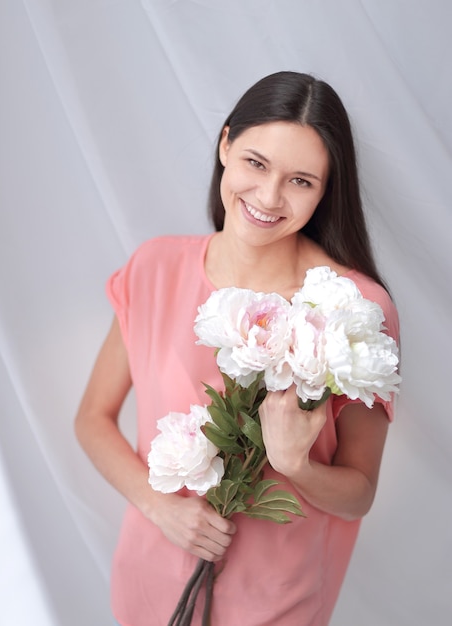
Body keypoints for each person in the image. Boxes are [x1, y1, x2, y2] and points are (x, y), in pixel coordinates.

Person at [75, 71, 400, 626]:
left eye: (301, 181)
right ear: (225, 144)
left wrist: (294, 464)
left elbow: (358, 492)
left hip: (277, 601)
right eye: (255, 162)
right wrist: (160, 508)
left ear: (326, 191)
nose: (269, 197)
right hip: (151, 583)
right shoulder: (154, 268)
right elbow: (93, 419)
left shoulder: (355, 310)